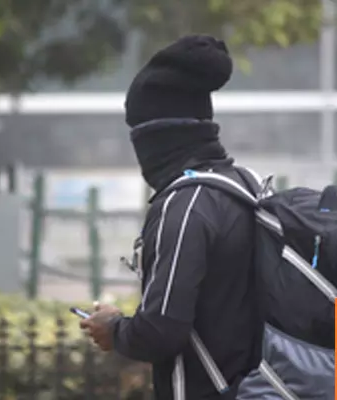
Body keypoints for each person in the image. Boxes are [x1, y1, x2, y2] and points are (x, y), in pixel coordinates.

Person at [80, 35, 265, 400]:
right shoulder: (249, 185)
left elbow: (162, 330)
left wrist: (114, 328)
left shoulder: (184, 206)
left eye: (138, 133)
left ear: (158, 135)